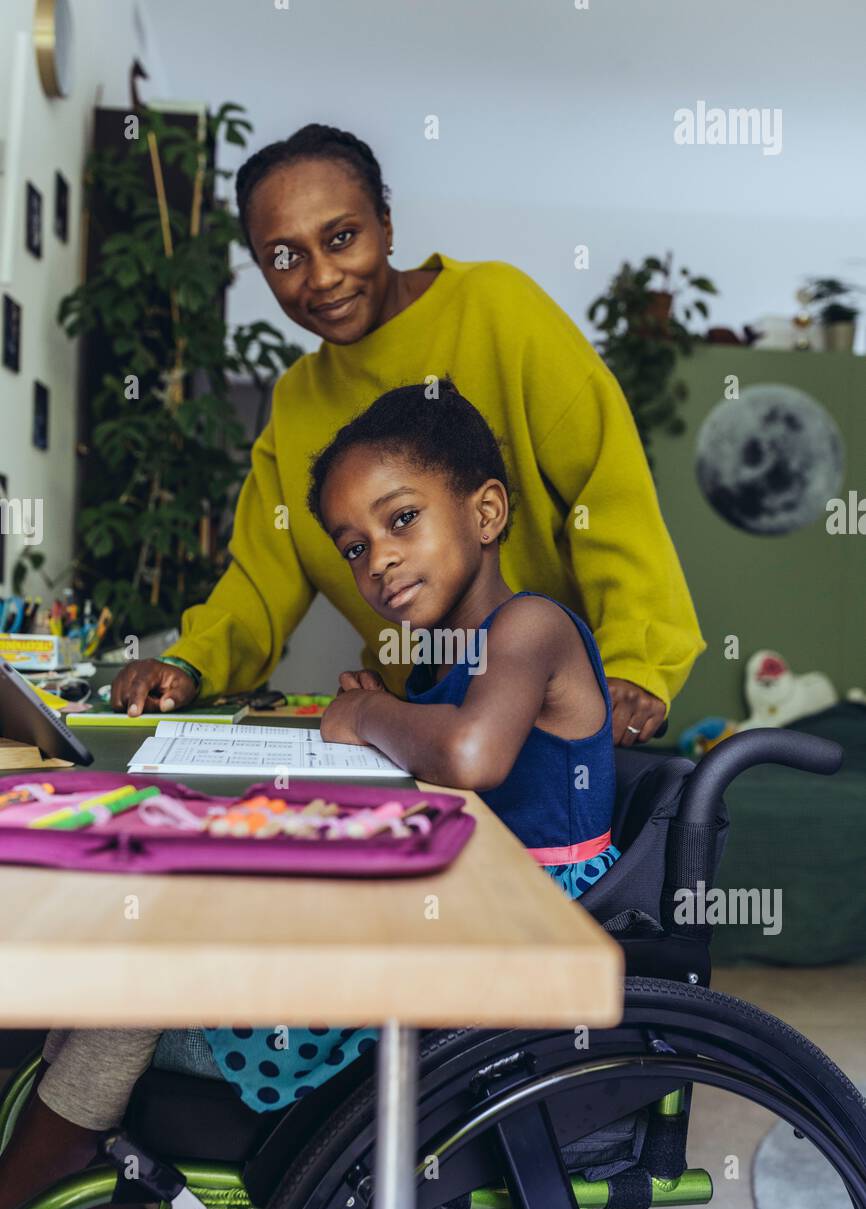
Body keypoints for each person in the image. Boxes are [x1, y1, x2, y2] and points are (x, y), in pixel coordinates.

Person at [0, 382, 621, 1209]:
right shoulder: (454, 665)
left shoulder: (530, 627)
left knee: (132, 985)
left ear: (486, 512)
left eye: (401, 520)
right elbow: (448, 746)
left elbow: (471, 754)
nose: (380, 561)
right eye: (355, 547)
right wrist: (391, 716)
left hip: (505, 959)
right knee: (138, 963)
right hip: (459, 927)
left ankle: (42, 1168)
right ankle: (59, 1144)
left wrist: (370, 713)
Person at [108, 122, 704, 746]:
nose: (322, 278)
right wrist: (185, 663)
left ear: (386, 227)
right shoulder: (296, 401)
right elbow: (261, 579)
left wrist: (636, 664)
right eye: (285, 257)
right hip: (416, 727)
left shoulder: (499, 310)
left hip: (560, 720)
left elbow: (609, 499)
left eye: (342, 238)